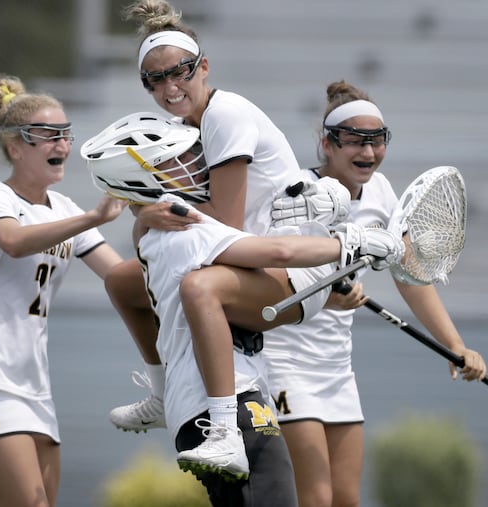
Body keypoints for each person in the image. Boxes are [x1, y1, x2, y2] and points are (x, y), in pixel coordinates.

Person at [81, 112, 401, 505]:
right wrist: (351, 243)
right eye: (178, 159)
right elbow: (278, 251)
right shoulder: (185, 230)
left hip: (208, 403)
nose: (197, 164)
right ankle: (222, 433)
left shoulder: (160, 228)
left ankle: (166, 399)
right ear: (143, 176)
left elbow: (124, 281)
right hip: (224, 411)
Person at [106, 0, 351, 476]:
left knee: (199, 288)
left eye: (180, 71)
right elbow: (159, 213)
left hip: (295, 271)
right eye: (154, 79)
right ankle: (161, 393)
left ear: (204, 66)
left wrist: (153, 210)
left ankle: (224, 434)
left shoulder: (226, 114)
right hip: (247, 258)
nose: (170, 87)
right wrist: (146, 209)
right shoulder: (179, 128)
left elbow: (225, 223)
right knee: (121, 282)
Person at [263, 80, 488, 507]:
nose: (368, 154)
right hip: (285, 361)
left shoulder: (381, 193)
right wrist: (326, 297)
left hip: (335, 367)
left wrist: (457, 345)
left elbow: (409, 277)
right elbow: (269, 269)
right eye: (354, 142)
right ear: (327, 144)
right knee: (316, 498)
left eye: (377, 141)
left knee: (347, 499)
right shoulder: (296, 192)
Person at [0, 73, 126, 507]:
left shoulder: (64, 207)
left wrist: (162, 242)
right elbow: (16, 242)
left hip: (32, 381)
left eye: (65, 134)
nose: (61, 145)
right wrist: (92, 220)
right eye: (47, 136)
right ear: (14, 147)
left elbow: (117, 276)